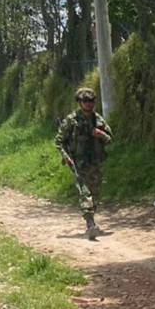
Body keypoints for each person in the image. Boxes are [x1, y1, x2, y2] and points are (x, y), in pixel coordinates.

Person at [55, 87, 113, 240]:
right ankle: (90, 224)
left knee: (95, 193)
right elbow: (59, 141)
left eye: (91, 101)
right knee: (85, 192)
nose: (88, 104)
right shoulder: (72, 120)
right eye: (85, 101)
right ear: (79, 102)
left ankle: (91, 219)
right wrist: (66, 157)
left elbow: (110, 139)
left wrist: (100, 134)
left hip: (95, 162)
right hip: (78, 163)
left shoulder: (98, 119)